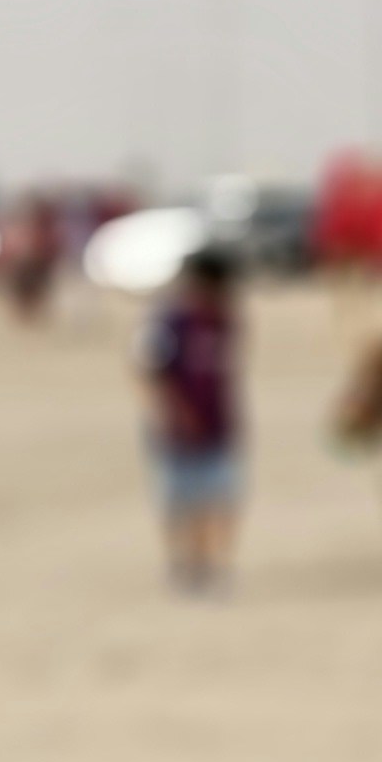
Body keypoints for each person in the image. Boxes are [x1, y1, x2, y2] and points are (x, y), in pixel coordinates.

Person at [138, 242, 244, 588]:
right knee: (179, 499)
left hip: (218, 423)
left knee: (219, 497)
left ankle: (212, 564)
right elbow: (151, 371)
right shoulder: (170, 321)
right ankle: (182, 563)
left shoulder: (225, 319)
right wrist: (173, 414)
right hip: (177, 430)